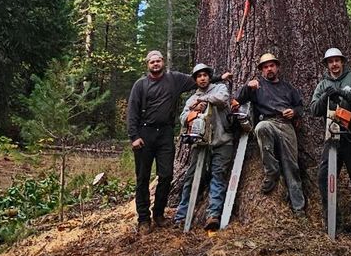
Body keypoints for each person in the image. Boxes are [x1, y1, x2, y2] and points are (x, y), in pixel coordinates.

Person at [126, 50, 194, 231]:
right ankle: (143, 219)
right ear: (147, 65)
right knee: (142, 178)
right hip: (144, 134)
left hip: (165, 133)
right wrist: (134, 136)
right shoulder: (140, 85)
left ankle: (158, 214)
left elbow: (199, 78)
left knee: (166, 175)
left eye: (158, 61)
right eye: (152, 62)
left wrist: (219, 77)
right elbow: (132, 111)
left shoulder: (174, 80)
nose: (155, 64)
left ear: (163, 62)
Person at [310, 47, 351, 243]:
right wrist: (326, 96)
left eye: (337, 60)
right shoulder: (322, 84)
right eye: (330, 61)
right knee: (324, 179)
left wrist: (343, 94)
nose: (334, 64)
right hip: (332, 139)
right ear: (327, 65)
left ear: (342, 61)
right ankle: (333, 223)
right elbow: (313, 110)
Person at [234, 52, 306, 213]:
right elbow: (237, 100)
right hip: (268, 121)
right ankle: (271, 170)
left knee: (292, 166)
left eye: (271, 65)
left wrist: (293, 112)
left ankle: (298, 207)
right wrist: (247, 87)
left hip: (286, 124)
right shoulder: (257, 86)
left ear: (277, 67)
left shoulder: (288, 87)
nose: (269, 69)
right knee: (261, 127)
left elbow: (300, 107)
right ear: (261, 70)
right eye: (265, 67)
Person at [174, 63, 234, 231]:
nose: (202, 78)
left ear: (209, 76)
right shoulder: (192, 99)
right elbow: (183, 117)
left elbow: (222, 100)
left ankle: (212, 215)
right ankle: (181, 215)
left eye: (205, 75)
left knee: (217, 176)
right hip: (200, 144)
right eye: (199, 76)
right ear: (196, 80)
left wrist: (204, 100)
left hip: (222, 141)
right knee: (191, 178)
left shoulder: (219, 88)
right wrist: (194, 111)